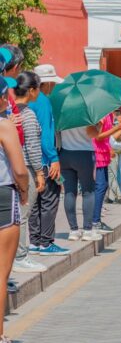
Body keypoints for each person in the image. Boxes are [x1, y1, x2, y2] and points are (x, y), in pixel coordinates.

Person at [0, 77, 31, 343]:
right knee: (1, 272)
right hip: (2, 195)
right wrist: (24, 190)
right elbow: (20, 170)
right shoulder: (4, 125)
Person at [28, 64, 68, 256]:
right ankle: (46, 243)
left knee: (34, 203)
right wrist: (54, 159)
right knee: (50, 200)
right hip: (45, 160)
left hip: (30, 159)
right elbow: (45, 135)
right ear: (48, 83)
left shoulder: (28, 101)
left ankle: (35, 241)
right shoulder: (43, 101)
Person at [11, 72, 47, 274]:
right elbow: (33, 147)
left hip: (13, 168)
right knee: (23, 214)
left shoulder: (12, 111)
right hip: (27, 169)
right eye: (39, 88)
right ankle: (20, 257)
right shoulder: (29, 114)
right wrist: (40, 173)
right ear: (32, 90)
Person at [92, 112, 121, 232]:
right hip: (97, 155)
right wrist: (118, 128)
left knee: (102, 186)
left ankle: (94, 221)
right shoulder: (101, 116)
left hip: (103, 154)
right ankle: (94, 222)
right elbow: (98, 136)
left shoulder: (108, 115)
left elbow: (109, 138)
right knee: (98, 187)